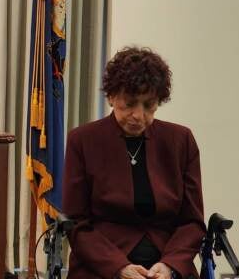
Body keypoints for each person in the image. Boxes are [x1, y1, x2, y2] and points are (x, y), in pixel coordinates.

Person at [63, 47, 204, 279]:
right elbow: (77, 224)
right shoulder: (83, 140)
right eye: (129, 104)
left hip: (166, 262)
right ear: (110, 96)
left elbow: (192, 223)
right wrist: (119, 268)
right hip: (102, 265)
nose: (139, 115)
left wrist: (169, 265)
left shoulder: (181, 141)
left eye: (149, 105)